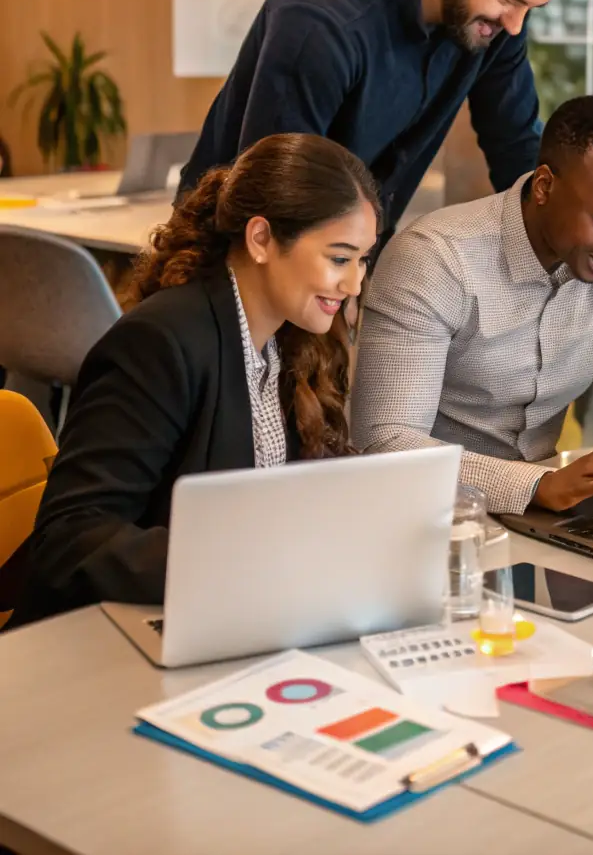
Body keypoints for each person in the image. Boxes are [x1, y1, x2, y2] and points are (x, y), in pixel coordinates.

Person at [11, 133, 379, 623]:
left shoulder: (291, 340)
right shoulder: (160, 343)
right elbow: (71, 539)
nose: (354, 284)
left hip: (227, 619)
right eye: (339, 258)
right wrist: (247, 565)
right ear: (262, 239)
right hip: (102, 638)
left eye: (362, 260)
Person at [179, 0, 589, 245]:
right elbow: (272, 196)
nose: (516, 25)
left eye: (530, 8)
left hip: (343, 257)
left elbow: (515, 147)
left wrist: (558, 245)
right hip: (234, 250)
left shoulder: (493, 25)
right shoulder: (324, 20)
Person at [350, 96, 593, 514]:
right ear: (545, 186)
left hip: (541, 517)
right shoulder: (433, 260)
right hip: (418, 516)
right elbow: (387, 441)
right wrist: (539, 485)